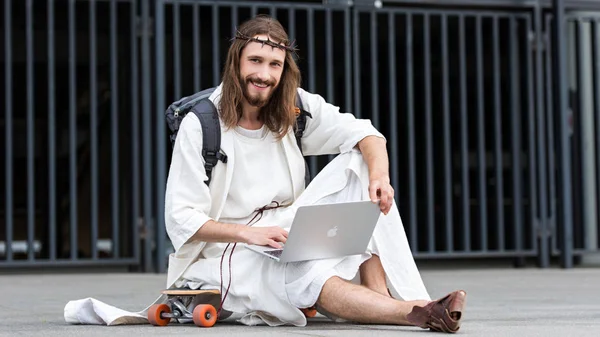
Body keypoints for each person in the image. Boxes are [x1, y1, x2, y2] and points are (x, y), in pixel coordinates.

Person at [63, 14, 466, 333]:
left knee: (360, 166)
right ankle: (416, 312)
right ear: (236, 62)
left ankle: (396, 305)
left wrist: (380, 175)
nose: (265, 74)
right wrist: (249, 234)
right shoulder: (200, 123)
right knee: (306, 269)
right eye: (255, 61)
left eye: (275, 64)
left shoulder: (292, 107)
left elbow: (365, 132)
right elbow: (180, 217)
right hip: (225, 249)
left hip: (285, 228)